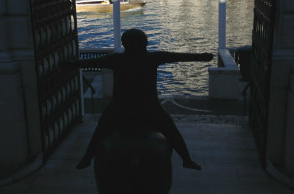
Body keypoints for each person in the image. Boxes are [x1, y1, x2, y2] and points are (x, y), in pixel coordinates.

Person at [62, 28, 213, 171]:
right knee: (170, 128)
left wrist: (69, 64)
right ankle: (186, 159)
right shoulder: (154, 58)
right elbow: (178, 56)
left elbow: (89, 62)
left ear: (124, 44)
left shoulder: (116, 59)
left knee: (101, 128)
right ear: (146, 44)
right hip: (149, 107)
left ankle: (87, 158)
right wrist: (201, 57)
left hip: (120, 107)